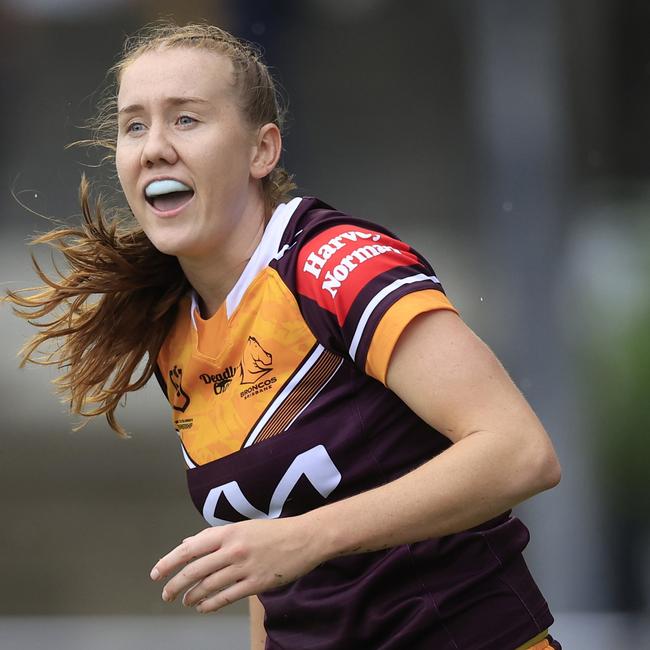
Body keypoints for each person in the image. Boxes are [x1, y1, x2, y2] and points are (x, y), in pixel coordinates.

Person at [6, 21, 563, 650]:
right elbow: (265, 560)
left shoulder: (335, 266)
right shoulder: (175, 329)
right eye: (135, 125)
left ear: (261, 151)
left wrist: (309, 536)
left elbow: (520, 452)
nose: (155, 147)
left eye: (186, 119)